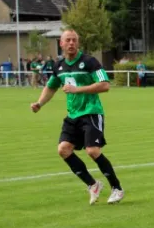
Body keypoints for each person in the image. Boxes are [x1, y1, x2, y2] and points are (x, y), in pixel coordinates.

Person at [30, 29, 124, 205]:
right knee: (63, 149)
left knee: (92, 151)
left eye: (74, 40)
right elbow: (51, 87)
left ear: (78, 43)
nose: (71, 43)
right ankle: (93, 185)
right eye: (68, 40)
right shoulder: (58, 66)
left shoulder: (89, 62)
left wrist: (77, 89)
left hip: (91, 112)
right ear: (61, 43)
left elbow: (105, 85)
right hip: (73, 115)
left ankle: (117, 188)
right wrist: (39, 103)